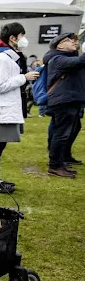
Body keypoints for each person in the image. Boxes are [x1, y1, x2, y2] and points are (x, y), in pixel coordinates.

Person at [0, 23, 40, 193]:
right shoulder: (2, 59)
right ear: (12, 38)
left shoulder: (8, 58)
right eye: (22, 35)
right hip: (0, 111)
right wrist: (24, 77)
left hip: (3, 110)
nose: (24, 40)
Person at [42, 32, 85, 178]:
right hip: (64, 102)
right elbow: (79, 62)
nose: (74, 42)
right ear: (59, 45)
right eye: (69, 40)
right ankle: (55, 166)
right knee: (61, 134)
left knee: (62, 133)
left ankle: (60, 162)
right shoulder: (57, 59)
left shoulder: (64, 57)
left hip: (68, 100)